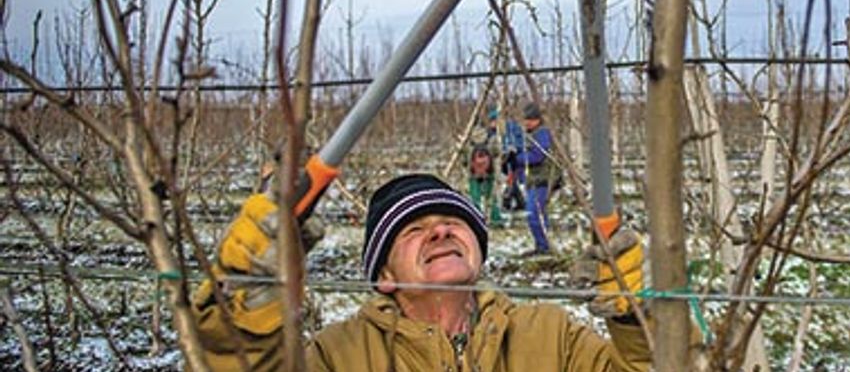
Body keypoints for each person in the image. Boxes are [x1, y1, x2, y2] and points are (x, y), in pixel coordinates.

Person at [193, 173, 649, 371]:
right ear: (384, 275)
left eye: (453, 222)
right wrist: (241, 310)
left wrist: (640, 321)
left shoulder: (550, 336)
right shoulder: (338, 356)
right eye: (413, 230)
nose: (439, 232)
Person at [520, 102, 556, 256]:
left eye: (531, 119)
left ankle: (544, 246)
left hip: (542, 179)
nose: (527, 122)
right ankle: (543, 245)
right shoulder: (530, 134)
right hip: (533, 180)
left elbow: (537, 156)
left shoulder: (542, 134)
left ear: (537, 120)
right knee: (538, 214)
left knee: (533, 214)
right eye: (526, 119)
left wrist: (517, 158)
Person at [500, 107, 527, 213]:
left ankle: (509, 202)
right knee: (512, 180)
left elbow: (514, 142)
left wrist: (510, 150)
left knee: (512, 179)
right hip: (509, 157)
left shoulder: (511, 128)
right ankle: (518, 202)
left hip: (512, 157)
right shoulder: (508, 127)